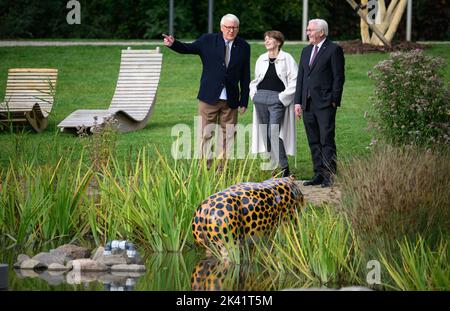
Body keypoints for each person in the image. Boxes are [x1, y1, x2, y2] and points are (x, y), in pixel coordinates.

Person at [162, 14, 250, 165]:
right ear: (222, 28)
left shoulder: (244, 46)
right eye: (228, 27)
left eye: (234, 28)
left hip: (231, 100)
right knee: (206, 134)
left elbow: (245, 74)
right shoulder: (208, 40)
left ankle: (221, 169)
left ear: (238, 29)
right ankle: (205, 168)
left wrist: (244, 100)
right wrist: (173, 44)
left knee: (228, 135)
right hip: (209, 97)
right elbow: (187, 48)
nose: (231, 31)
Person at [294, 19, 345, 187]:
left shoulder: (333, 49)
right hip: (307, 104)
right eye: (307, 30)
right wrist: (297, 102)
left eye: (310, 30)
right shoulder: (305, 50)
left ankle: (329, 175)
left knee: (326, 140)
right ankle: (318, 174)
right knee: (313, 141)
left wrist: (334, 100)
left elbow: (339, 77)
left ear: (321, 32)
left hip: (325, 104)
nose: (308, 32)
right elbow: (301, 78)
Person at [250, 31, 298, 177]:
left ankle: (284, 168)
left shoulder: (287, 58)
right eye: (265, 39)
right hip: (260, 99)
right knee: (265, 133)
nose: (267, 41)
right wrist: (254, 95)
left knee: (274, 132)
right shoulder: (261, 58)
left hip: (277, 100)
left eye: (270, 39)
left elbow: (295, 81)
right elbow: (256, 80)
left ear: (278, 42)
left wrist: (282, 98)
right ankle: (273, 165)